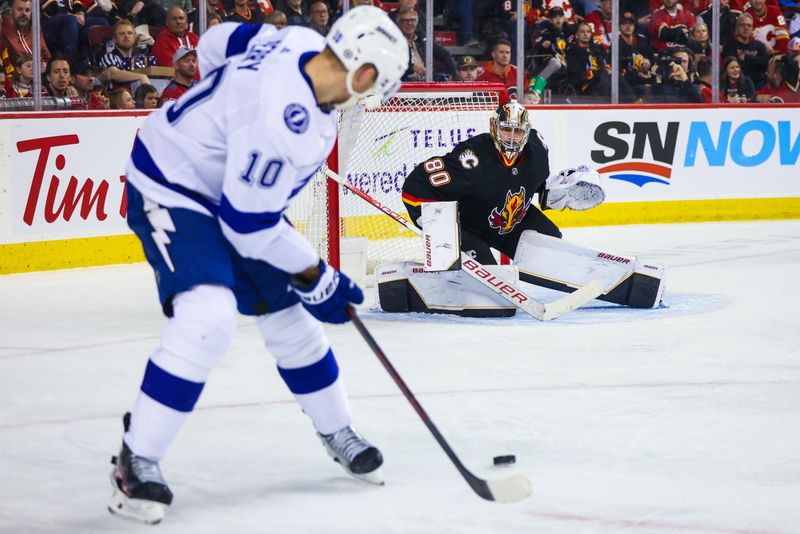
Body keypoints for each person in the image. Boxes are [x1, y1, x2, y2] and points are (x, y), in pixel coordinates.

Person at [108, 6, 408, 524]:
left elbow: (213, 44)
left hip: (231, 194)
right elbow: (249, 226)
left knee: (287, 314)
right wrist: (318, 276)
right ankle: (138, 458)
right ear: (363, 73)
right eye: (382, 82)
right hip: (171, 184)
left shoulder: (291, 39)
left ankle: (338, 429)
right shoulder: (287, 123)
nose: (378, 93)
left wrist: (222, 114)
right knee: (209, 317)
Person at [397, 100, 662, 313]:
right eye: (506, 129)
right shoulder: (472, 158)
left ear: (527, 131)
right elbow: (414, 187)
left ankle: (623, 285)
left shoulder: (537, 149)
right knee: (492, 302)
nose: (512, 137)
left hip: (509, 221)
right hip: (469, 228)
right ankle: (411, 286)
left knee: (552, 246)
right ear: (494, 127)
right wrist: (433, 223)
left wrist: (559, 194)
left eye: (518, 131)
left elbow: (536, 188)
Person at [397, 7, 456, 82]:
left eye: (412, 20)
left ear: (417, 22)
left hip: (426, 81)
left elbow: (445, 55)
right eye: (405, 21)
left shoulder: (423, 38)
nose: (409, 23)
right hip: (403, 82)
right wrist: (412, 67)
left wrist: (454, 74)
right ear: (398, 23)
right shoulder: (394, 41)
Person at [99, 19, 155, 90]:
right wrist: (141, 77)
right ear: (114, 39)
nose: (126, 36)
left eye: (129, 33)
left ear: (135, 38)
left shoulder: (142, 59)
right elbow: (113, 73)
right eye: (121, 34)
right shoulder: (109, 57)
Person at [722, 13, 772, 89]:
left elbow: (765, 64)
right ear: (736, 28)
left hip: (759, 85)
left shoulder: (760, 46)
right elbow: (732, 67)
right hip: (738, 86)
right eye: (742, 25)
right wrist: (755, 62)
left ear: (752, 29)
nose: (746, 28)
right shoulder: (729, 46)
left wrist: (747, 58)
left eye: (749, 25)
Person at [0, 0, 51, 70]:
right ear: (11, 11)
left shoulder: (35, 31)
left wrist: (45, 66)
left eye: (27, 10)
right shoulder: (2, 28)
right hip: (12, 77)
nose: (24, 14)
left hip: (37, 76)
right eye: (19, 9)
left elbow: (47, 58)